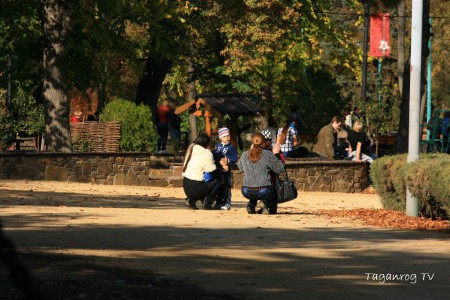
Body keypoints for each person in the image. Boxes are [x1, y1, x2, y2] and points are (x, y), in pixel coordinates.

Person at [237, 133, 285, 215]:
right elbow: (280, 169)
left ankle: (251, 204)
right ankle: (265, 203)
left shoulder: (245, 154)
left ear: (252, 143)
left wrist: (250, 151)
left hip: (246, 190)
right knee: (272, 192)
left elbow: (240, 167)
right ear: (263, 143)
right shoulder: (266, 154)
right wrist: (276, 153)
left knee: (255, 190)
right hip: (264, 190)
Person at [182, 133, 222, 210]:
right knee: (218, 180)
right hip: (196, 186)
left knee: (205, 180)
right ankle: (208, 203)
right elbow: (211, 169)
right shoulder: (206, 152)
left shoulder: (191, 148)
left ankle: (192, 200)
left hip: (186, 184)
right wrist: (221, 169)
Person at [213, 127, 238, 210]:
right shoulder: (217, 146)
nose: (227, 138)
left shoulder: (231, 147)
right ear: (220, 137)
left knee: (227, 186)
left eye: (228, 136)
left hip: (227, 171)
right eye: (224, 136)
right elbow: (214, 156)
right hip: (218, 170)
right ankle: (218, 202)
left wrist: (228, 161)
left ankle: (227, 203)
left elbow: (234, 158)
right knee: (218, 186)